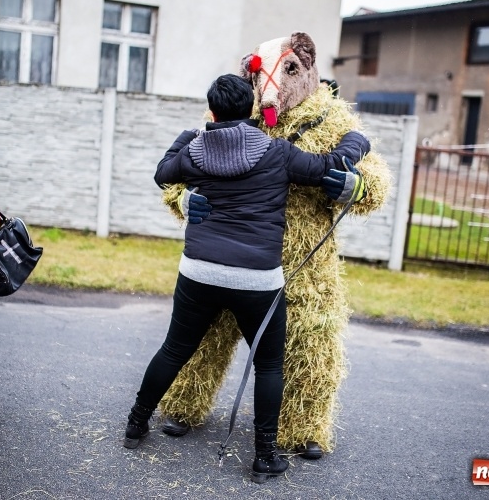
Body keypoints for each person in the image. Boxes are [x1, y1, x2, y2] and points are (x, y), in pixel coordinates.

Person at [123, 74, 369, 484]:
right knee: (269, 365)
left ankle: (135, 424)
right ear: (253, 109)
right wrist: (355, 143)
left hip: (199, 272)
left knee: (174, 350)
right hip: (257, 280)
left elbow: (162, 173)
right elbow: (329, 168)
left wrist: (187, 135)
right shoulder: (278, 152)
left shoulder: (194, 150)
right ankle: (265, 456)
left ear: (213, 110)